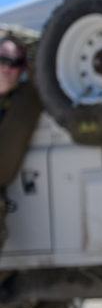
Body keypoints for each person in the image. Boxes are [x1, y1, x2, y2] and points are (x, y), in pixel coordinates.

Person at [0, 33, 42, 254]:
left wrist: (18, 37)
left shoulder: (28, 98)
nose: (8, 68)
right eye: (3, 61)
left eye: (16, 63)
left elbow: (41, 60)